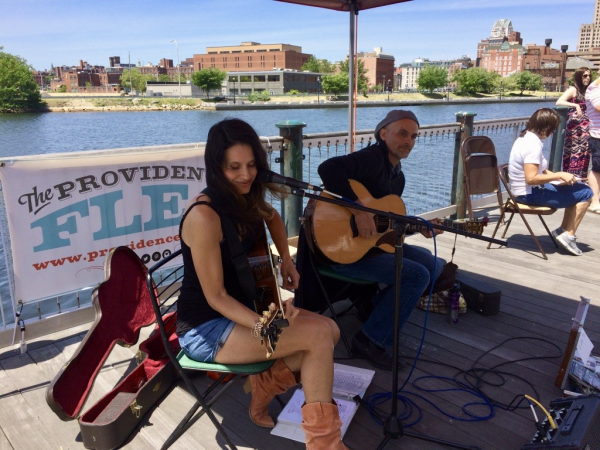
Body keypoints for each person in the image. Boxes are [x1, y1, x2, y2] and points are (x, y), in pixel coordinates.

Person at [177, 118, 347, 449]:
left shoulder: (244, 197)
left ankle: (264, 386)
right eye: (234, 167)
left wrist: (285, 260)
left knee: (331, 330)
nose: (246, 175)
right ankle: (325, 444)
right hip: (206, 328)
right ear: (216, 167)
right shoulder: (204, 216)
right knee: (316, 337)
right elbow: (215, 296)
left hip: (244, 312)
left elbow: (273, 218)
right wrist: (264, 323)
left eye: (252, 165)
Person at [317, 110, 445, 371]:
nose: (408, 141)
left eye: (413, 136)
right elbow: (328, 168)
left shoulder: (397, 176)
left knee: (434, 265)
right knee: (417, 275)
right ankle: (370, 340)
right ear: (383, 134)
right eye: (402, 133)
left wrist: (416, 227)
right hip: (341, 250)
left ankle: (372, 308)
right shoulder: (371, 158)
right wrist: (357, 210)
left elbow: (383, 229)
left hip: (370, 249)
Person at [508, 108, 593, 256]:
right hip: (528, 194)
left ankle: (563, 231)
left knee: (578, 187)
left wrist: (560, 177)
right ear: (545, 127)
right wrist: (558, 174)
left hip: (524, 190)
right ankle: (568, 234)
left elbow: (540, 171)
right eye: (552, 129)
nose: (553, 133)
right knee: (586, 193)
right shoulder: (532, 146)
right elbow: (531, 178)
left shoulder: (524, 138)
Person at [556, 67, 591, 178]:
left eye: (589, 76)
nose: (588, 78)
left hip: (587, 129)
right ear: (579, 77)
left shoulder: (589, 91)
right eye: (585, 76)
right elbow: (559, 101)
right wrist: (575, 105)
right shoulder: (573, 89)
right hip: (575, 129)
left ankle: (581, 179)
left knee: (585, 153)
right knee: (573, 153)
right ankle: (570, 178)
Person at [584, 69, 600, 214]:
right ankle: (594, 202)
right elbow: (598, 107)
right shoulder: (595, 88)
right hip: (598, 136)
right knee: (597, 169)